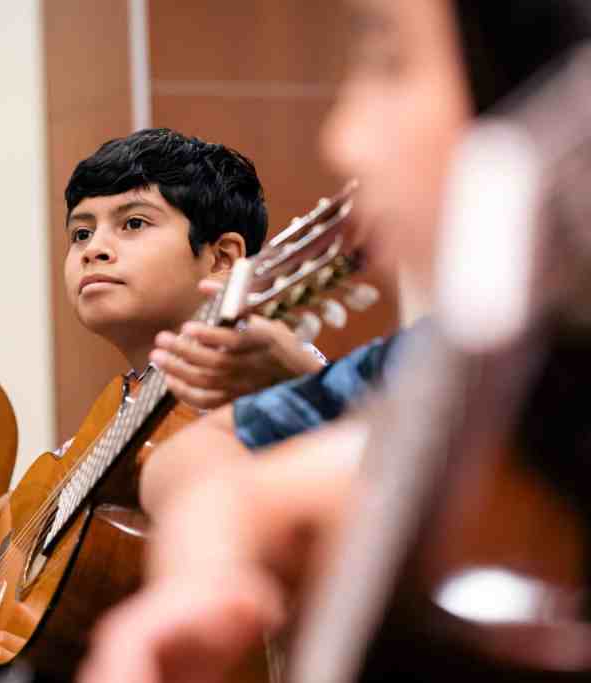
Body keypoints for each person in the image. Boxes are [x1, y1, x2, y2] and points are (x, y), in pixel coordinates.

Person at [78, 2, 591, 682]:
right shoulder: (463, 386)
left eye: (389, 61)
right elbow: (226, 489)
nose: (340, 139)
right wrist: (203, 590)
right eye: (80, 233)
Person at [0, 128, 327, 681]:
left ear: (222, 258)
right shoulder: (118, 410)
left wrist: (298, 376)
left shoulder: (268, 370)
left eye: (133, 223)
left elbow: (364, 452)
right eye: (80, 233)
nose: (94, 248)